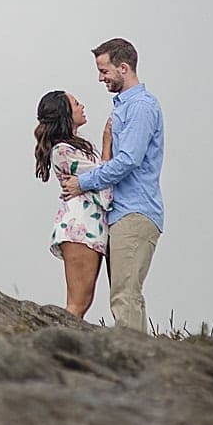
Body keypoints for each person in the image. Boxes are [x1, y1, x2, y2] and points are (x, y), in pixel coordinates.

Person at [59, 37, 164, 334]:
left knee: (125, 295)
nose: (100, 78)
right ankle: (141, 357)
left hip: (134, 211)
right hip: (120, 214)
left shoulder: (141, 107)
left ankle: (133, 361)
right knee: (125, 294)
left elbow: (129, 160)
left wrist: (82, 182)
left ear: (123, 67)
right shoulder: (124, 107)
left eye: (104, 71)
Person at [34, 90, 112, 318]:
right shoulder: (62, 151)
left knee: (84, 302)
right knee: (78, 303)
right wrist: (107, 143)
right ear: (65, 114)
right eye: (76, 104)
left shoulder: (76, 147)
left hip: (90, 229)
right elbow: (104, 177)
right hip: (81, 229)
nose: (82, 106)